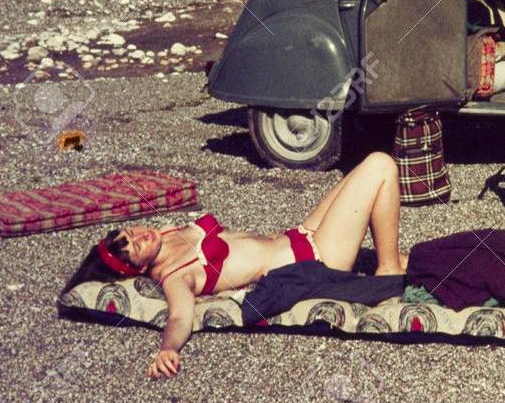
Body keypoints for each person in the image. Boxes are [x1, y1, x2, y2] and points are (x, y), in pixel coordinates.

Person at [63, 152, 406, 380]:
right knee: (380, 165)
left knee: (364, 172)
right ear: (136, 269)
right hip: (316, 258)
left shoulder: (166, 234)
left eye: (129, 233)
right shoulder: (175, 276)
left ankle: (400, 260)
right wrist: (167, 348)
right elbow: (181, 316)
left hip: (303, 233)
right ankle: (387, 268)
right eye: (132, 248)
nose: (138, 237)